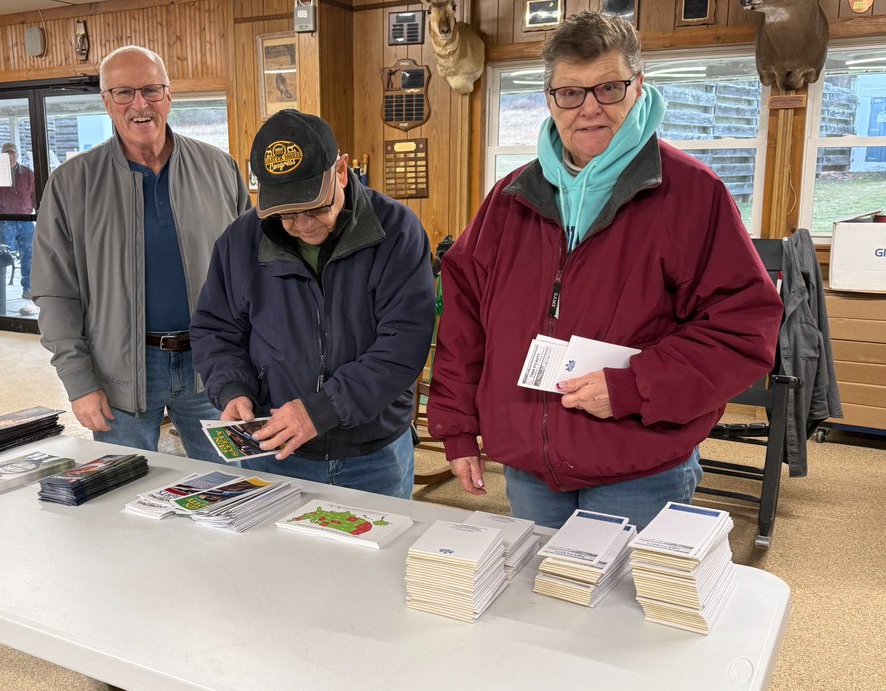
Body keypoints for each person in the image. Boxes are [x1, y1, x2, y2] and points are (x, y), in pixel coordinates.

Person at [427, 11, 783, 530]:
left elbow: (742, 330)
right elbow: (464, 327)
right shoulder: (507, 200)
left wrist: (630, 387)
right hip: (531, 468)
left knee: (625, 587)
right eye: (571, 92)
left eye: (609, 88)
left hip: (639, 467)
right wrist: (457, 429)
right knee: (541, 582)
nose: (590, 108)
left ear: (638, 87)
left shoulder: (693, 194)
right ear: (550, 99)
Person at [190, 110, 435, 498]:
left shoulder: (397, 231)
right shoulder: (239, 241)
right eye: (287, 213)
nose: (303, 224)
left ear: (341, 172)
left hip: (373, 454)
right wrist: (232, 388)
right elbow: (216, 330)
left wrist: (320, 410)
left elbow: (403, 344)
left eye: (316, 207)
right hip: (275, 452)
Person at [32, 46, 250, 462]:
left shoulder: (220, 169)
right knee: (124, 485)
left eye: (151, 90)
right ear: (106, 101)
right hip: (120, 374)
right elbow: (55, 292)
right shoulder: (71, 183)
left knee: (232, 482)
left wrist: (249, 366)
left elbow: (253, 275)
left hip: (213, 367)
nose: (140, 104)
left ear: (168, 96)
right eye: (124, 92)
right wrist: (79, 382)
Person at [0, 142, 36, 298]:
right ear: (2, 156)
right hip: (3, 220)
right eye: (7, 154)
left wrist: (40, 213)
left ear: (17, 155)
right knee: (5, 254)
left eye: (13, 154)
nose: (10, 157)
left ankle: (28, 288)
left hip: (25, 219)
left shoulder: (28, 174)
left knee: (29, 254)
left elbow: (35, 195)